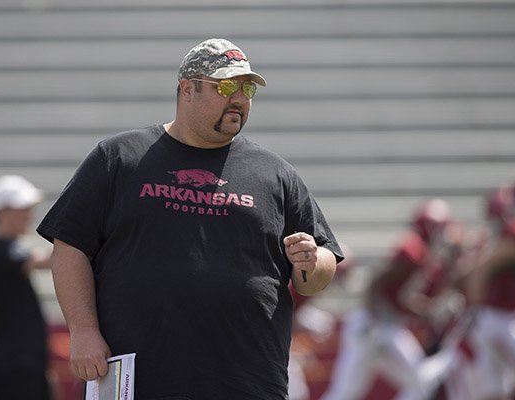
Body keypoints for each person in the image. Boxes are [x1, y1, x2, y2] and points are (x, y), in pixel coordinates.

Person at [36, 38, 343, 399]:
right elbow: (69, 245)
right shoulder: (118, 158)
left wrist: (312, 260)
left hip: (246, 380)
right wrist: (83, 331)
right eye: (226, 86)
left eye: (246, 89)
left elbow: (315, 275)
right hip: (137, 377)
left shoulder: (275, 174)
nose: (239, 99)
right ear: (187, 89)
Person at [320, 199, 457, 400]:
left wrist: (427, 312)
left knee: (418, 380)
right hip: (375, 325)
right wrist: (374, 319)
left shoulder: (420, 251)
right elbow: (377, 281)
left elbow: (401, 297)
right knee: (349, 390)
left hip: (383, 325)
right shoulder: (413, 250)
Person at [0, 175, 53, 400]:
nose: (28, 214)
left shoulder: (7, 249)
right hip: (17, 366)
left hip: (26, 364)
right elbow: (45, 260)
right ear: (2, 211)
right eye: (22, 208)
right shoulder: (2, 250)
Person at [464, 170, 515, 400]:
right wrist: (477, 305)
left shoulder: (513, 230)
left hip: (495, 316)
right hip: (498, 318)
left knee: (497, 390)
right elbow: (485, 267)